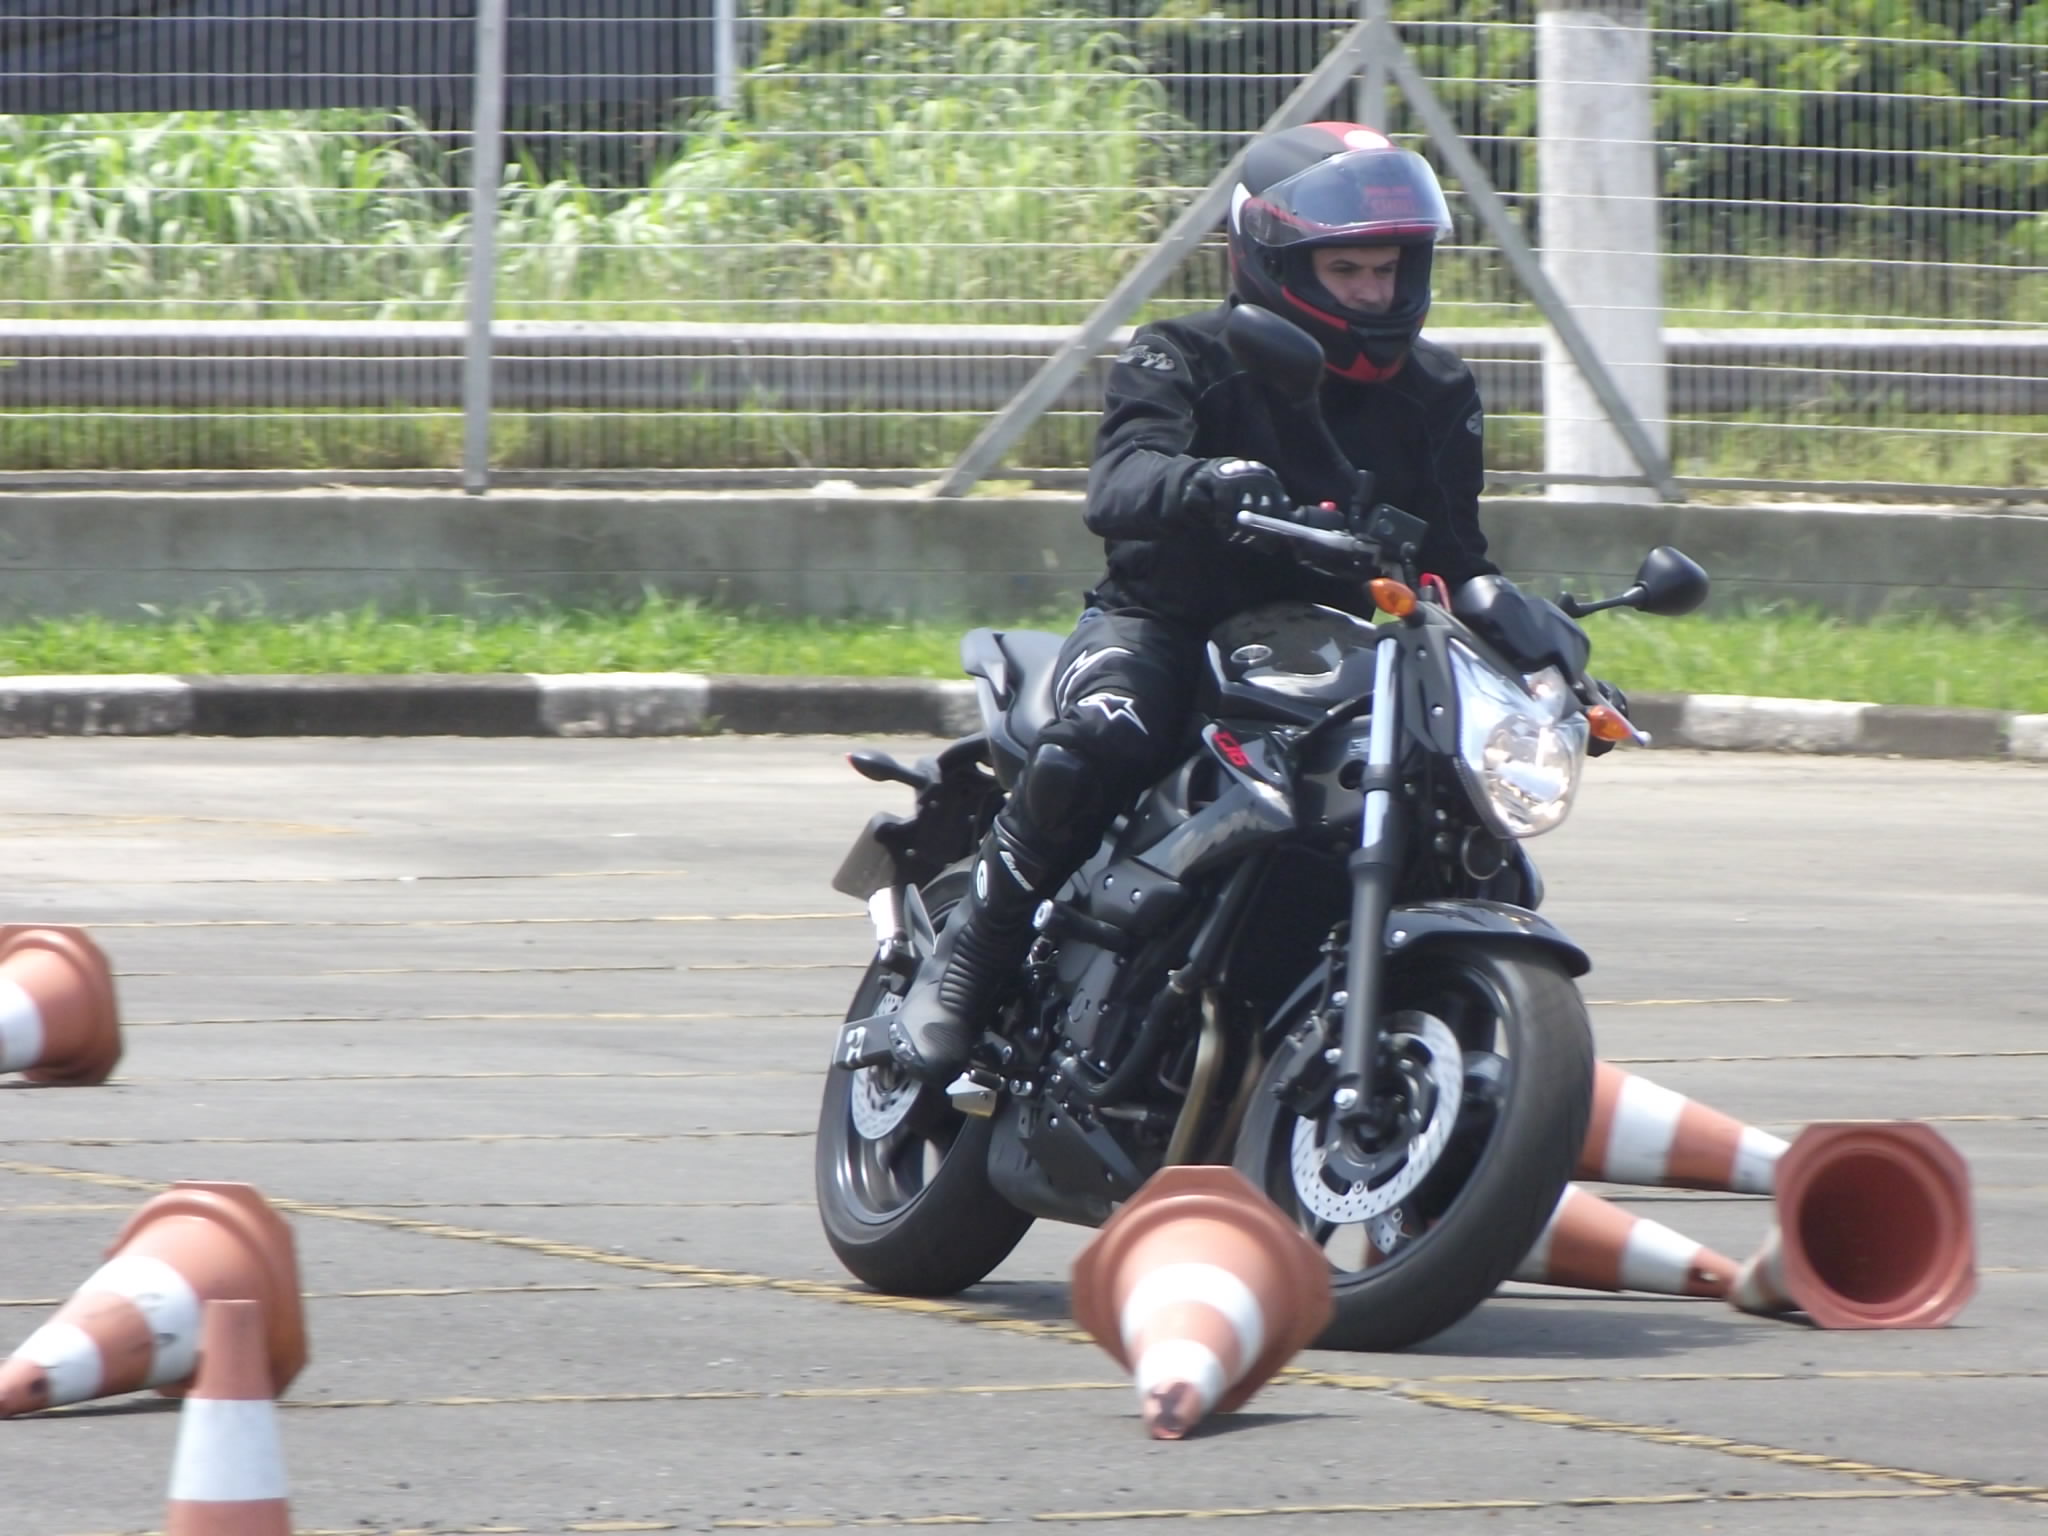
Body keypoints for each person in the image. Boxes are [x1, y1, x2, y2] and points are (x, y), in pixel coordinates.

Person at [886, 120, 1510, 1086]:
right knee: (1102, 739)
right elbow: (1119, 482)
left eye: (1387, 270)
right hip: (1166, 624)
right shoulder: (1183, 352)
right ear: (1275, 264)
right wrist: (1203, 483)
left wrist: (1531, 634)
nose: (1373, 293)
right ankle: (972, 956)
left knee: (1464, 816)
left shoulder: (1437, 388)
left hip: (1336, 649)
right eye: (1346, 270)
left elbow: (1455, 556)